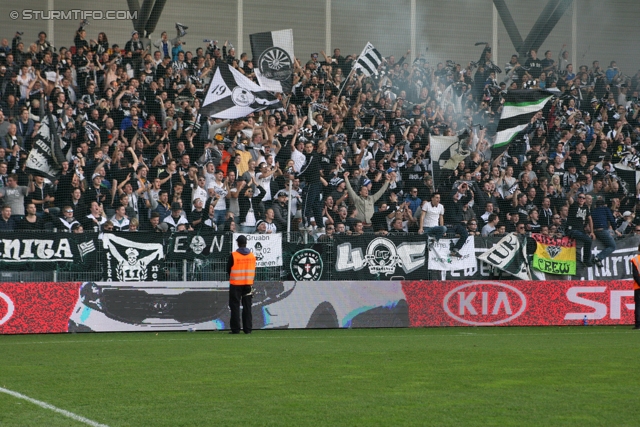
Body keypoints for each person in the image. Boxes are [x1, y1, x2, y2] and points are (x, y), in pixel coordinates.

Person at [227, 234, 256, 335]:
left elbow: (228, 269)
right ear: (246, 243)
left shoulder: (234, 255)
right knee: (247, 306)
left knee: (235, 306)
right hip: (248, 284)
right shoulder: (252, 256)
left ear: (237, 243)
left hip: (236, 284)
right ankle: (247, 329)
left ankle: (236, 329)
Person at [590, 198, 618, 268]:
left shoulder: (593, 211)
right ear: (604, 205)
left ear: (596, 206)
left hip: (594, 231)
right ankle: (598, 257)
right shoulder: (605, 209)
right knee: (612, 246)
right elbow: (611, 219)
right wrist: (615, 229)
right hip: (602, 230)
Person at [629, 244, 640, 329]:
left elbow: (635, 275)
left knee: (638, 306)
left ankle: (638, 324)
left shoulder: (635, 259)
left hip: (638, 287)